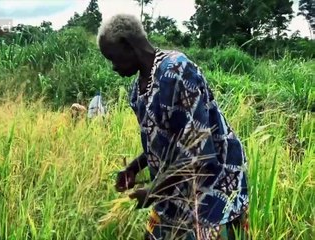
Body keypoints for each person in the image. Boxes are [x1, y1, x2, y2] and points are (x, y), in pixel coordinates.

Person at [97, 14, 249, 240]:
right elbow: (166, 143)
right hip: (174, 186)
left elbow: (200, 155)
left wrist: (154, 190)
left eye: (113, 58)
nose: (113, 67)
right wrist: (133, 168)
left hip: (212, 185)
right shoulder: (137, 90)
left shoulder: (177, 71)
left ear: (128, 45)